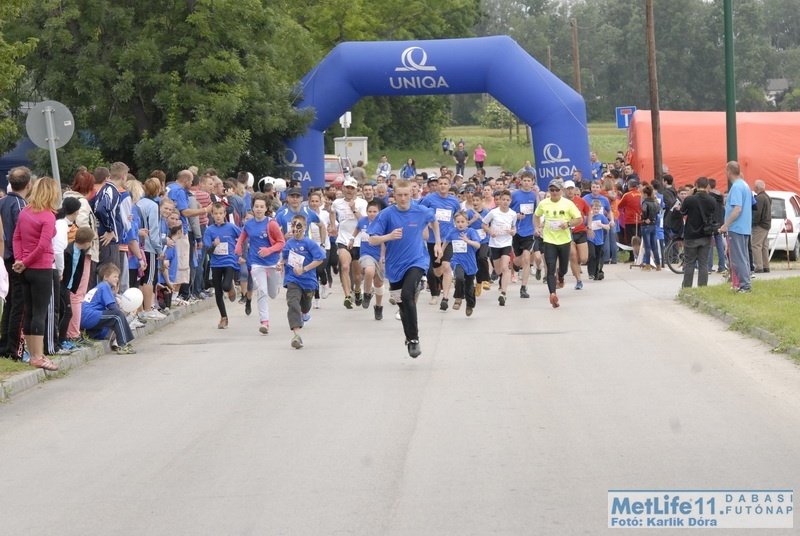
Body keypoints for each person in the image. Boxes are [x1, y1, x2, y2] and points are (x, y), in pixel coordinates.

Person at [368, 179, 441, 358]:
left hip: (417, 260)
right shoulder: (386, 214)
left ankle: (414, 339)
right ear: (394, 194)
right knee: (402, 304)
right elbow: (372, 240)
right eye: (399, 195)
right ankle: (409, 338)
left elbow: (433, 220)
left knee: (407, 295)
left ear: (411, 194)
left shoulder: (420, 210)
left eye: (406, 195)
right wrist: (389, 236)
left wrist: (438, 243)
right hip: (394, 266)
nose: (403, 198)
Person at [13, 177, 62, 369]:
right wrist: (25, 262)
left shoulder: (25, 212)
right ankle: (38, 355)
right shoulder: (48, 216)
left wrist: (20, 260)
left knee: (30, 311)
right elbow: (43, 245)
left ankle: (33, 354)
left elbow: (17, 237)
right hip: (41, 267)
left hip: (25, 268)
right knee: (40, 313)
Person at [235, 193, 285, 334]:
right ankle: (264, 322)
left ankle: (275, 287)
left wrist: (269, 250)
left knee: (272, 294)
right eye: (256, 206)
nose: (258, 209)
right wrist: (238, 246)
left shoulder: (271, 224)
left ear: (266, 208)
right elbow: (243, 235)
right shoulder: (249, 224)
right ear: (253, 207)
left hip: (272, 262)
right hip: (256, 262)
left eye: (261, 206)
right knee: (262, 291)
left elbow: (281, 243)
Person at [278, 214, 326, 349]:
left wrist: (304, 269)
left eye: (298, 225)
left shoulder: (309, 243)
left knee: (305, 306)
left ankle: (304, 313)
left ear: (304, 227)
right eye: (293, 225)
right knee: (293, 303)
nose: (295, 228)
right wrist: (280, 264)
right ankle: (296, 335)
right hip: (293, 279)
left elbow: (319, 259)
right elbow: (284, 257)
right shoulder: (289, 243)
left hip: (308, 281)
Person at [534, 179, 582, 308]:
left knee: (563, 269)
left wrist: (568, 224)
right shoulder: (544, 203)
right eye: (552, 190)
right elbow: (536, 216)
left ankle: (560, 277)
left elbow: (579, 219)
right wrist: (537, 228)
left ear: (561, 191)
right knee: (550, 268)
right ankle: (552, 294)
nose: (554, 192)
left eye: (556, 190)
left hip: (564, 240)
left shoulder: (568, 204)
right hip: (549, 240)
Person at [0, 166, 32, 361]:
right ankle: (14, 348)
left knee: (9, 302)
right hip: (16, 258)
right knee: (19, 304)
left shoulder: (3, 202)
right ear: (28, 185)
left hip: (5, 257)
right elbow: (23, 234)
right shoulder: (21, 206)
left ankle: (5, 344)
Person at [420, 174, 461, 310]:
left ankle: (445, 298)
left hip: (447, 239)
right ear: (437, 186)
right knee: (437, 271)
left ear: (449, 186)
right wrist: (427, 225)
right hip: (432, 240)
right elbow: (421, 213)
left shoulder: (454, 201)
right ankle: (437, 288)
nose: (443, 186)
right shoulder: (429, 199)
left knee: (447, 266)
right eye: (440, 183)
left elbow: (458, 217)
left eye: (445, 184)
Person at [81, 263, 136, 354]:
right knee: (118, 315)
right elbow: (113, 308)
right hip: (89, 315)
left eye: (118, 277)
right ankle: (122, 345)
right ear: (106, 277)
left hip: (86, 317)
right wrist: (125, 313)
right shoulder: (104, 286)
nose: (117, 279)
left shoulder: (99, 287)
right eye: (115, 276)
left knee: (114, 318)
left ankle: (94, 334)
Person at [331, 177, 368, 308]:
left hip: (358, 240)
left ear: (356, 190)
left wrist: (353, 209)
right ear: (343, 188)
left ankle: (357, 290)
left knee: (357, 276)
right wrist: (333, 225)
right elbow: (331, 212)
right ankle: (347, 296)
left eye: (352, 188)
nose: (349, 190)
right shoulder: (337, 202)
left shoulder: (362, 203)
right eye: (347, 187)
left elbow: (364, 221)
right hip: (343, 239)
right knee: (345, 267)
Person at [204, 202, 241, 329]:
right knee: (218, 291)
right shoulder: (209, 230)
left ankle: (230, 287)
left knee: (225, 286)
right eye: (216, 213)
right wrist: (214, 245)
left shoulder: (231, 227)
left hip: (229, 260)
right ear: (212, 215)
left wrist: (240, 250)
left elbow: (243, 237)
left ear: (225, 214)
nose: (218, 216)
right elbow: (207, 251)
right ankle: (223, 317)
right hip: (216, 263)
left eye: (220, 213)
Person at [719, 161, 753, 292]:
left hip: (736, 227)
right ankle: (745, 283)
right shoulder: (745, 185)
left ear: (729, 172)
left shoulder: (736, 187)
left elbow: (737, 209)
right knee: (743, 257)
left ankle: (745, 285)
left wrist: (725, 225)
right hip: (744, 227)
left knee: (737, 258)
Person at [680, 176, 717, 288]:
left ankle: (687, 288)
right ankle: (702, 287)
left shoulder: (690, 199)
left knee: (689, 263)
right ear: (707, 186)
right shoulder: (712, 200)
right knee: (703, 263)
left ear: (696, 185)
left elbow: (682, 212)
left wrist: (689, 195)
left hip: (691, 235)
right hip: (706, 235)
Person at [482, 189, 517, 306]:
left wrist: (513, 231)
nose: (505, 202)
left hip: (506, 243)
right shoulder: (493, 213)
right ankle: (500, 278)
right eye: (503, 200)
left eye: (508, 200)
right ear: (499, 200)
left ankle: (503, 293)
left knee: (505, 267)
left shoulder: (512, 214)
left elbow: (514, 227)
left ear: (510, 201)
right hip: (495, 243)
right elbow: (484, 224)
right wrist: (490, 232)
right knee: (498, 270)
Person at [354, 200, 386, 320]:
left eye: (375, 211)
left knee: (378, 284)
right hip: (366, 254)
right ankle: (367, 293)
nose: (372, 214)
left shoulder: (383, 223)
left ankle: (378, 306)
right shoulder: (362, 221)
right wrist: (352, 239)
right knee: (369, 270)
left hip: (379, 255)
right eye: (370, 211)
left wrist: (382, 257)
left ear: (379, 212)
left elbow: (384, 242)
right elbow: (357, 229)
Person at [447, 211, 481, 316]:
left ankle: (470, 305)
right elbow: (446, 241)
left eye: (462, 222)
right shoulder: (452, 232)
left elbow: (478, 245)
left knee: (469, 287)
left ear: (467, 222)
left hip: (470, 263)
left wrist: (467, 241)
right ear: (455, 223)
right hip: (457, 260)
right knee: (459, 278)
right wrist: (440, 252)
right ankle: (458, 298)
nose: (460, 224)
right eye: (458, 222)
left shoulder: (471, 232)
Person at [510, 171, 538, 298]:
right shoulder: (515, 195)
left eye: (529, 181)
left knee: (527, 258)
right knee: (518, 260)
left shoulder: (534, 195)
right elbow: (507, 211)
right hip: (516, 231)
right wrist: (515, 216)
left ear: (533, 182)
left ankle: (523, 287)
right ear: (520, 181)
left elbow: (538, 212)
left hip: (529, 231)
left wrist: (537, 227)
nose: (526, 183)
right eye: (524, 180)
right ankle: (515, 265)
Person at [563, 180, 591, 289]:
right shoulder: (562, 202)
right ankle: (578, 280)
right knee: (573, 256)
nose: (570, 191)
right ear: (564, 190)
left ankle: (578, 264)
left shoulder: (581, 201)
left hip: (580, 231)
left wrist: (589, 226)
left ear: (575, 189)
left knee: (583, 259)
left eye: (571, 188)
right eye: (568, 189)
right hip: (568, 232)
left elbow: (589, 212)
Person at [751, 180, 772, 273]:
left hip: (760, 224)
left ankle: (759, 266)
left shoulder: (759, 198)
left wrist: (753, 222)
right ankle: (766, 266)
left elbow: (757, 212)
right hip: (767, 224)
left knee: (756, 245)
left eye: (754, 187)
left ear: (756, 188)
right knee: (764, 246)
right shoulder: (767, 197)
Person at [640, 183, 662, 271]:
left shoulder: (645, 203)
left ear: (645, 194)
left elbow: (644, 212)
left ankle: (648, 264)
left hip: (646, 225)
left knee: (647, 246)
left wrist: (644, 218)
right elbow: (658, 211)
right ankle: (658, 265)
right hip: (653, 224)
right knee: (654, 246)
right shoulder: (655, 202)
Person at [588, 200, 610, 280]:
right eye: (594, 209)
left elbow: (608, 227)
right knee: (592, 255)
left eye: (597, 209)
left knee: (598, 256)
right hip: (590, 239)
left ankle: (596, 272)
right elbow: (584, 225)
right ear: (591, 208)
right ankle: (591, 272)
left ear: (600, 209)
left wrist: (601, 225)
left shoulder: (601, 217)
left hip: (599, 239)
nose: (596, 211)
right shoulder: (589, 216)